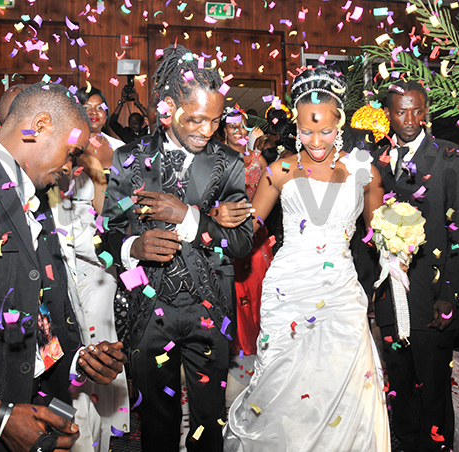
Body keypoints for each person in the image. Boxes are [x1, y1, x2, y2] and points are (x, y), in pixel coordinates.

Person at [0, 82, 127, 452]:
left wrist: (76, 360)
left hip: (24, 412)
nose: (69, 169)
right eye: (71, 153)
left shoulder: (38, 203)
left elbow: (30, 304)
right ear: (41, 125)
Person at [223, 65, 390, 451]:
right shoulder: (280, 168)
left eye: (326, 130)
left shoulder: (363, 170)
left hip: (342, 291)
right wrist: (215, 227)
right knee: (286, 380)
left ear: (341, 124)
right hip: (289, 289)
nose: (316, 140)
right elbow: (249, 227)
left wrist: (400, 238)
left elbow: (381, 232)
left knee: (343, 379)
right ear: (295, 127)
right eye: (306, 130)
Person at [100, 44, 252, 452]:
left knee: (208, 422)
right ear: (167, 108)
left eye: (215, 120)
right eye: (197, 119)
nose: (207, 130)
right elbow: (106, 236)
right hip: (148, 312)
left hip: (210, 310)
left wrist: (189, 216)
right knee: (157, 423)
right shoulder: (128, 160)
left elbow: (241, 241)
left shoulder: (230, 163)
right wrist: (134, 245)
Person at [371, 80, 459, 452]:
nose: (409, 119)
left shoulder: (450, 156)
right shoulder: (376, 159)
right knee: (401, 385)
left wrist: (451, 294)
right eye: (400, 111)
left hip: (431, 295)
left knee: (434, 386)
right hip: (390, 297)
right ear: (389, 114)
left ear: (426, 112)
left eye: (416, 110)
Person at [48, 85, 129, 452]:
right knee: (71, 336)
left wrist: (99, 172)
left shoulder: (119, 149)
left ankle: (109, 423)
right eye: (87, 107)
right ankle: (76, 422)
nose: (94, 112)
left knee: (99, 333)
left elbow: (118, 210)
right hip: (62, 251)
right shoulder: (61, 146)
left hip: (99, 260)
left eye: (101, 107)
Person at [216, 106, 272, 356]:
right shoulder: (219, 157)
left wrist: (253, 152)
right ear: (224, 133)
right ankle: (240, 342)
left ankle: (265, 339)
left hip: (256, 231)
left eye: (242, 125)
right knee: (236, 292)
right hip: (228, 232)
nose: (239, 131)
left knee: (260, 287)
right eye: (232, 127)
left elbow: (269, 194)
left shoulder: (258, 157)